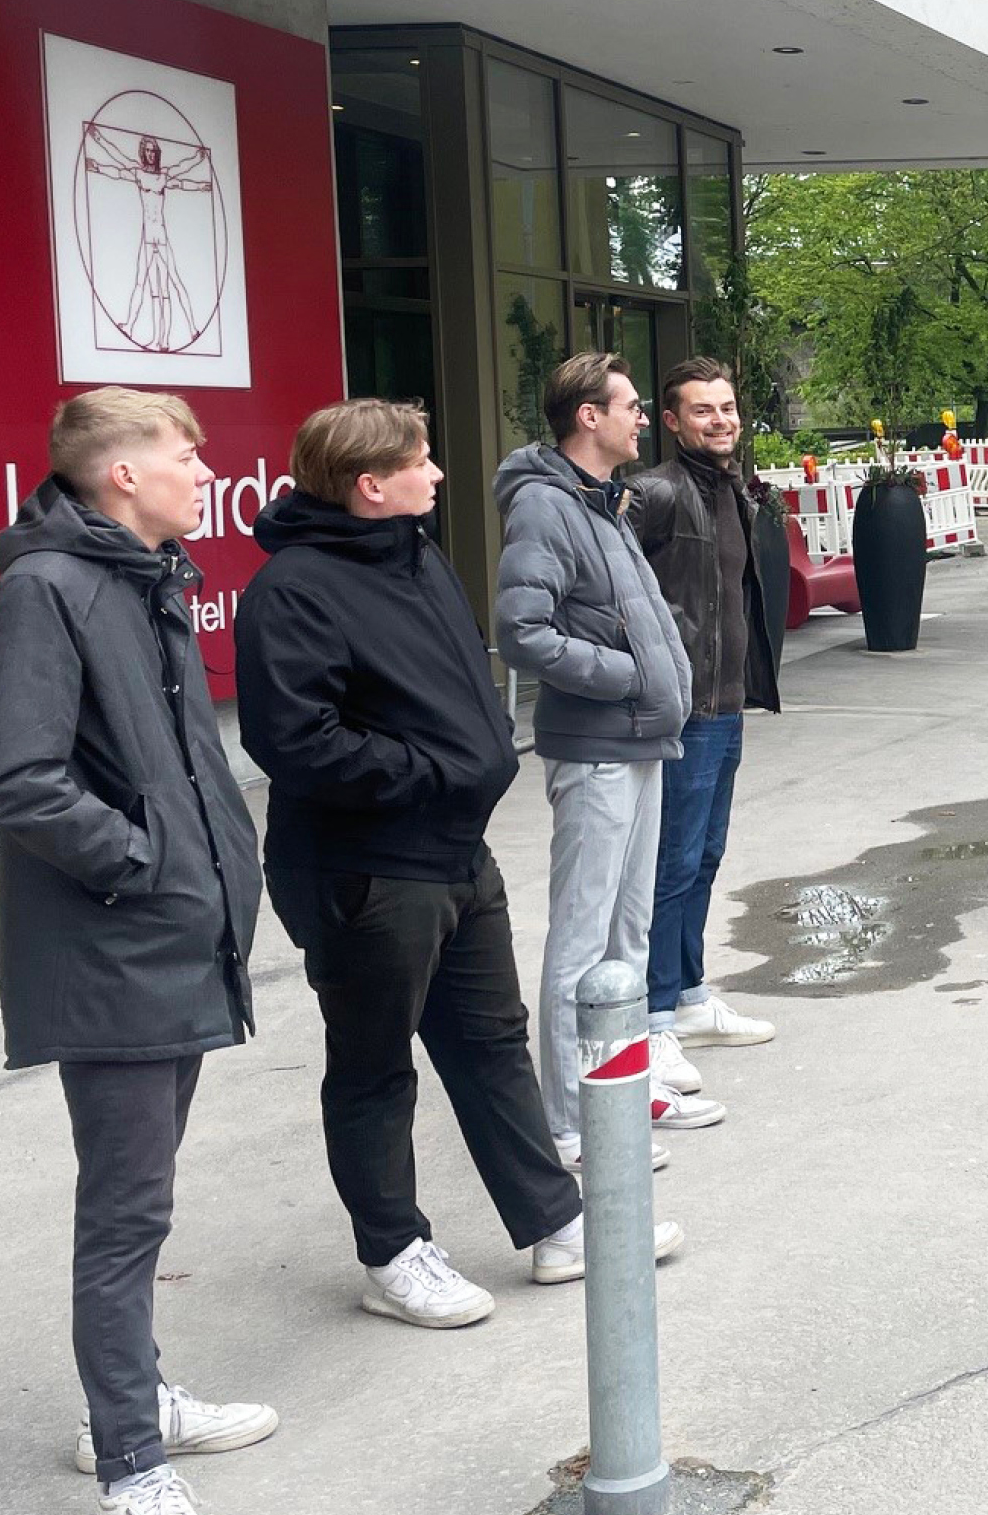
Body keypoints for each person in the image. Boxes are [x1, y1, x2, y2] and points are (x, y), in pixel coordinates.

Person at [236, 400, 681, 1329]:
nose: (438, 475)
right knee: (373, 1065)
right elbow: (298, 743)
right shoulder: (294, 589)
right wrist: (435, 772)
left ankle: (556, 1226)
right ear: (371, 483)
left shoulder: (414, 555)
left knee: (490, 1044)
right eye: (422, 462)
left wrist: (470, 767)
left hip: (455, 853)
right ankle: (393, 1254)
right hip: (367, 866)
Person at [0, 389, 273, 1515]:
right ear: (123, 477)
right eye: (184, 455)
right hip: (118, 949)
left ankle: (129, 1398)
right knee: (127, 1212)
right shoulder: (44, 592)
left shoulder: (145, 579)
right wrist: (144, 867)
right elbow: (13, 780)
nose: (204, 470)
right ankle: (131, 1471)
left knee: (142, 1201)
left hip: (172, 941)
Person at [495, 352, 702, 1158]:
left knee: (628, 933)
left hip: (641, 738)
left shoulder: (602, 503)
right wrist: (626, 675)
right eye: (630, 405)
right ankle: (574, 1122)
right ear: (589, 416)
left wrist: (657, 669)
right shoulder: (548, 508)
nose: (642, 417)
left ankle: (622, 1087)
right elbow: (522, 629)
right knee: (582, 942)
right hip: (597, 747)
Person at [628, 359, 781, 1097]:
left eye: (726, 408)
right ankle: (653, 1018)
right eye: (702, 411)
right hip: (682, 708)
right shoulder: (653, 493)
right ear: (672, 421)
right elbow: (616, 595)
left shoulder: (730, 491)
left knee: (706, 854)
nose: (719, 420)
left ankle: (687, 996)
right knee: (671, 863)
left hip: (724, 705)